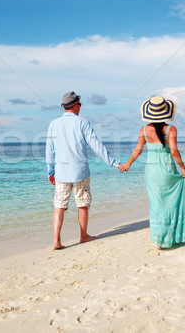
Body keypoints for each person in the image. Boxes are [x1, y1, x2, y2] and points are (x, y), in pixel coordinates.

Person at [46, 91, 124, 250]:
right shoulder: (82, 123)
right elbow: (97, 146)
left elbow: (49, 150)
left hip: (61, 173)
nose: (80, 107)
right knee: (82, 203)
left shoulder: (53, 124)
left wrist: (50, 171)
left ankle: (56, 240)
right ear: (75, 105)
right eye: (80, 104)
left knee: (59, 205)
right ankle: (83, 235)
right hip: (80, 171)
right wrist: (114, 163)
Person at [122, 95, 185, 249]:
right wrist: (183, 168)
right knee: (171, 204)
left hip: (151, 173)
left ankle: (159, 239)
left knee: (156, 206)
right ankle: (172, 236)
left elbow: (138, 150)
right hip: (167, 172)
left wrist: (127, 164)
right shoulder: (171, 129)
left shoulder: (144, 130)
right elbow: (174, 151)